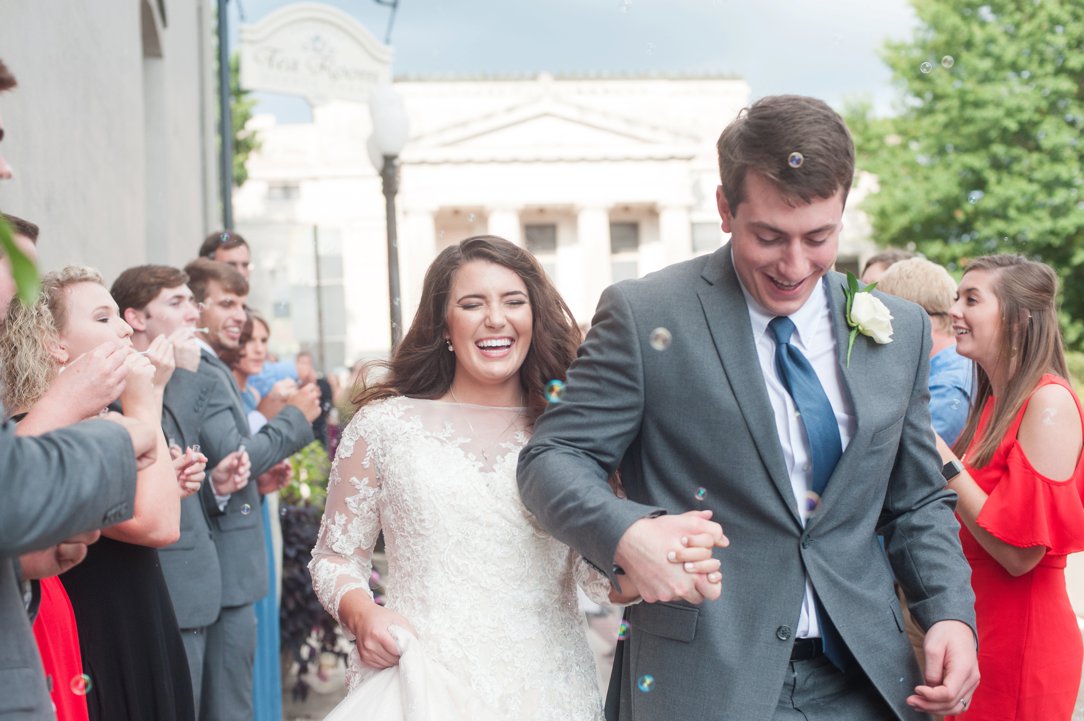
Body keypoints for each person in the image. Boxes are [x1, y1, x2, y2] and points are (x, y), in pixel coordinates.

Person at [518, 95, 980, 721]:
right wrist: (629, 532)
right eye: (769, 237)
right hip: (706, 679)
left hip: (868, 681)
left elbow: (916, 499)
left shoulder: (897, 329)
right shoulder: (646, 313)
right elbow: (552, 457)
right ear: (724, 209)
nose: (795, 266)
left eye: (819, 237)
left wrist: (949, 611)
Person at [310, 235, 721, 721]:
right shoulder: (384, 427)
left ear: (533, 317)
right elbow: (334, 557)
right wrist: (365, 615)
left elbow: (594, 577)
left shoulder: (572, 434)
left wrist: (669, 563)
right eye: (471, 304)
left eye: (513, 301)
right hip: (425, 682)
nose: (496, 319)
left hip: (548, 691)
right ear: (444, 324)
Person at [1, 266, 193, 721]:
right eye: (104, 318)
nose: (126, 328)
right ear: (54, 343)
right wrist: (148, 396)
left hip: (138, 618)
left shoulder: (95, 420)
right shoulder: (37, 431)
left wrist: (166, 480)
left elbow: (155, 512)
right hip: (101, 636)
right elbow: (159, 526)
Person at [932, 255, 1084, 720]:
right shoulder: (993, 404)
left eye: (971, 299)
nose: (954, 310)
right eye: (957, 297)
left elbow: (1020, 554)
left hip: (1022, 641)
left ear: (1018, 319)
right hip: (981, 631)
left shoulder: (1049, 401)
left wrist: (937, 454)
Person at [183, 258, 318, 721]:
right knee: (227, 707)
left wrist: (254, 485)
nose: (240, 315)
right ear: (194, 306)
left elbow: (224, 472)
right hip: (220, 577)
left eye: (242, 303)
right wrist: (296, 417)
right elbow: (233, 456)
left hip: (231, 571)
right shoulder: (200, 369)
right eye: (226, 303)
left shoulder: (211, 367)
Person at [110, 264, 245, 712]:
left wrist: (208, 484)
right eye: (177, 301)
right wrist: (174, 379)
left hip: (191, 575)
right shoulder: (119, 384)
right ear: (137, 318)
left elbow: (179, 451)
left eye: (192, 299)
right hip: (159, 577)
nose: (192, 310)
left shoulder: (187, 366)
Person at [223, 310, 288, 721]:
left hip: (258, 509)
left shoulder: (248, 395)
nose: (258, 348)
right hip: (237, 521)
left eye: (264, 340)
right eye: (249, 338)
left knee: (267, 620)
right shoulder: (235, 396)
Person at [877, 257, 972, 444]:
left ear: (920, 320)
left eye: (887, 318)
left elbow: (916, 462)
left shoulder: (947, 388)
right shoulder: (948, 371)